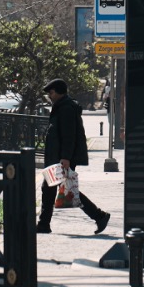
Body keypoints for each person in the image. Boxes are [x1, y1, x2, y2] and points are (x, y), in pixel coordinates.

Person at [36, 78, 111, 235]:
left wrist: (65, 158)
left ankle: (99, 216)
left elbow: (69, 136)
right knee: (59, 189)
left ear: (59, 92)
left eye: (51, 93)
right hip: (58, 157)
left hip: (61, 158)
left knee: (61, 189)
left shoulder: (66, 108)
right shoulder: (62, 106)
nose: (49, 96)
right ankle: (98, 216)